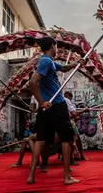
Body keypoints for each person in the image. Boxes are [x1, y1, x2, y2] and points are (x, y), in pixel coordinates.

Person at [27, 36, 85, 185]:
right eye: (56, 46)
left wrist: (77, 64)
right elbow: (32, 83)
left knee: (40, 140)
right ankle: (66, 177)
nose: (57, 48)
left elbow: (64, 68)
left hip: (47, 108)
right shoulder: (46, 61)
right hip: (56, 105)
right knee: (66, 139)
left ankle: (32, 176)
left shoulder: (50, 63)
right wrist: (42, 102)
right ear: (52, 46)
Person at [64, 92, 88, 161]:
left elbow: (74, 115)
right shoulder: (66, 101)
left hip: (68, 122)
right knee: (72, 140)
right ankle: (72, 159)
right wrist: (84, 110)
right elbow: (74, 113)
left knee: (73, 140)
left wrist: (76, 117)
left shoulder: (65, 102)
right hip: (68, 123)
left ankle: (79, 156)